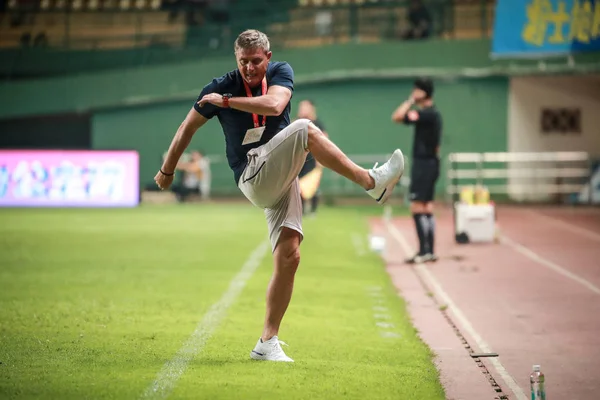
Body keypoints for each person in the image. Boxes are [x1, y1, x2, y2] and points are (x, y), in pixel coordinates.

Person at [154, 29, 405, 362]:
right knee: (304, 128)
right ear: (236, 59)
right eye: (243, 62)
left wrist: (226, 103)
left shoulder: (279, 73)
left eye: (255, 61)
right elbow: (186, 128)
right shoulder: (218, 87)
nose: (249, 68)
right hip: (253, 172)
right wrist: (167, 171)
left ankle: (266, 342)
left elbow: (274, 106)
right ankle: (370, 182)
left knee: (290, 255)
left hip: (281, 175)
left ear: (267, 58)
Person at [391, 77, 442, 264]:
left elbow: (397, 117)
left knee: (417, 206)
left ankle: (424, 251)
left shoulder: (427, 114)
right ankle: (429, 251)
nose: (413, 93)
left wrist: (410, 101)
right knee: (427, 206)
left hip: (424, 164)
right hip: (431, 163)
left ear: (424, 92)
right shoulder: (431, 115)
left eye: (416, 90)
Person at [296, 99, 327, 216]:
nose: (302, 109)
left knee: (312, 186)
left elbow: (325, 141)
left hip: (312, 159)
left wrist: (321, 159)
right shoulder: (297, 122)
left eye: (305, 106)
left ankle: (313, 210)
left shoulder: (317, 124)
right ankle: (301, 210)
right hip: (299, 159)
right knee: (298, 185)